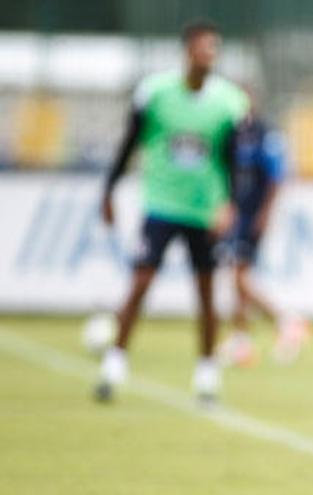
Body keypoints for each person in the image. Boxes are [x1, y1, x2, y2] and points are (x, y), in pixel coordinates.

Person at [95, 20, 249, 403]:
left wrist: (228, 203)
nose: (208, 55)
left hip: (203, 210)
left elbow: (231, 159)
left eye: (214, 49)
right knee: (141, 282)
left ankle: (206, 375)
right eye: (202, 48)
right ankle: (114, 363)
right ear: (187, 52)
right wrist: (109, 190)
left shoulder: (228, 102)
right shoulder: (156, 93)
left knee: (206, 291)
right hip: (162, 204)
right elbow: (129, 143)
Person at [217, 92, 308, 367]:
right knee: (238, 275)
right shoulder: (232, 134)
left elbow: (275, 178)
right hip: (238, 215)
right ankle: (241, 339)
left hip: (252, 217)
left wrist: (266, 214)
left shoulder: (265, 135)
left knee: (239, 275)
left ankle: (286, 320)